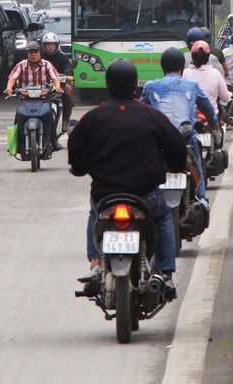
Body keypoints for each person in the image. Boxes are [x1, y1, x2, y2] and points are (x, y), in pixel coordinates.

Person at [68, 59, 185, 298]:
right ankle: (166, 273)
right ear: (135, 85)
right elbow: (176, 146)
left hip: (105, 195)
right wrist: (175, 166)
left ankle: (94, 265)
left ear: (107, 84)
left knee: (94, 213)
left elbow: (76, 151)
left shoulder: (93, 117)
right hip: (146, 195)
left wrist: (80, 169)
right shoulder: (152, 115)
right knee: (163, 218)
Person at [140, 47, 215, 202]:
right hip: (185, 141)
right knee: (197, 164)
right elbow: (208, 108)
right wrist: (213, 123)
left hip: (160, 141)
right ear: (182, 66)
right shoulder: (192, 85)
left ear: (162, 67)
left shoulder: (150, 86)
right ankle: (201, 199)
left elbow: (140, 110)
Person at [4, 41, 63, 153]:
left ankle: (54, 141)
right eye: (30, 52)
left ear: (40, 52)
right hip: (25, 99)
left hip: (44, 98)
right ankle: (16, 143)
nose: (33, 55)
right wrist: (9, 88)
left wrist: (57, 87)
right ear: (27, 54)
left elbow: (55, 78)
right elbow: (12, 78)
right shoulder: (21, 65)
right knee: (18, 117)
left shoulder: (47, 65)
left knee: (49, 116)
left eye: (35, 52)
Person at [183, 41, 232, 118]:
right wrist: (229, 95)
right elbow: (225, 98)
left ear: (192, 56)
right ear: (208, 56)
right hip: (211, 115)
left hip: (190, 115)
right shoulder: (216, 73)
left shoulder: (185, 73)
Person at [39, 31, 74, 138]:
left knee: (67, 95)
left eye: (52, 44)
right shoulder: (39, 56)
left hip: (59, 83)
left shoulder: (62, 57)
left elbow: (68, 69)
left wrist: (69, 77)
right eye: (48, 44)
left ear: (56, 45)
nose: (50, 47)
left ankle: (65, 121)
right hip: (42, 84)